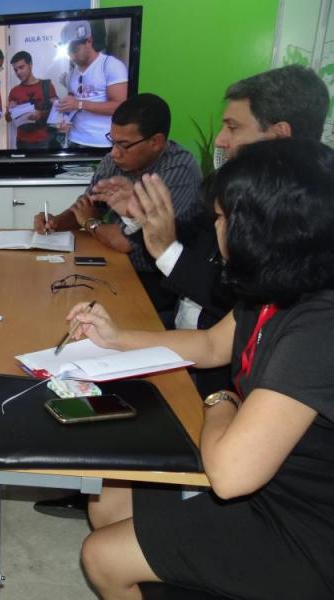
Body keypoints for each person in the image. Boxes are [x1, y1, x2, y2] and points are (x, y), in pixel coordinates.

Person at [73, 138, 334, 599]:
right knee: (109, 498)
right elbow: (213, 343)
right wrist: (115, 339)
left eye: (221, 219)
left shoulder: (317, 327)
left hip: (303, 524)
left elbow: (232, 475)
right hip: (269, 482)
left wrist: (219, 400)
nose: (216, 229)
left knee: (102, 555)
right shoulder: (276, 284)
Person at [127, 66, 330, 334]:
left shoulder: (303, 217)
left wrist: (166, 249)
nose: (221, 140)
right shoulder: (227, 187)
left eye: (233, 127)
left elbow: (236, 301)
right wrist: (144, 219)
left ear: (279, 135)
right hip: (180, 329)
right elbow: (196, 240)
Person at [34, 93, 202, 317]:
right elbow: (86, 207)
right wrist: (56, 221)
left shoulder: (179, 170)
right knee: (54, 302)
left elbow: (126, 241)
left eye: (124, 145)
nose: (114, 153)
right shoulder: (115, 160)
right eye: (112, 141)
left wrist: (91, 224)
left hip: (154, 280)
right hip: (111, 261)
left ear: (156, 142)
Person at [56, 20, 128, 148]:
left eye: (75, 50)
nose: (72, 56)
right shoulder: (72, 73)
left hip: (102, 143)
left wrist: (79, 104)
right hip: (74, 140)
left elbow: (121, 107)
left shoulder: (111, 65)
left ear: (89, 41)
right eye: (68, 52)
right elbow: (72, 104)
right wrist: (63, 120)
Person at [6, 51, 58, 150]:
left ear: (30, 65)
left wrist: (40, 114)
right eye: (15, 69)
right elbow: (8, 119)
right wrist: (9, 112)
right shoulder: (14, 91)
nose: (18, 72)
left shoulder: (47, 86)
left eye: (21, 67)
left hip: (45, 141)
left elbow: (57, 112)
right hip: (22, 143)